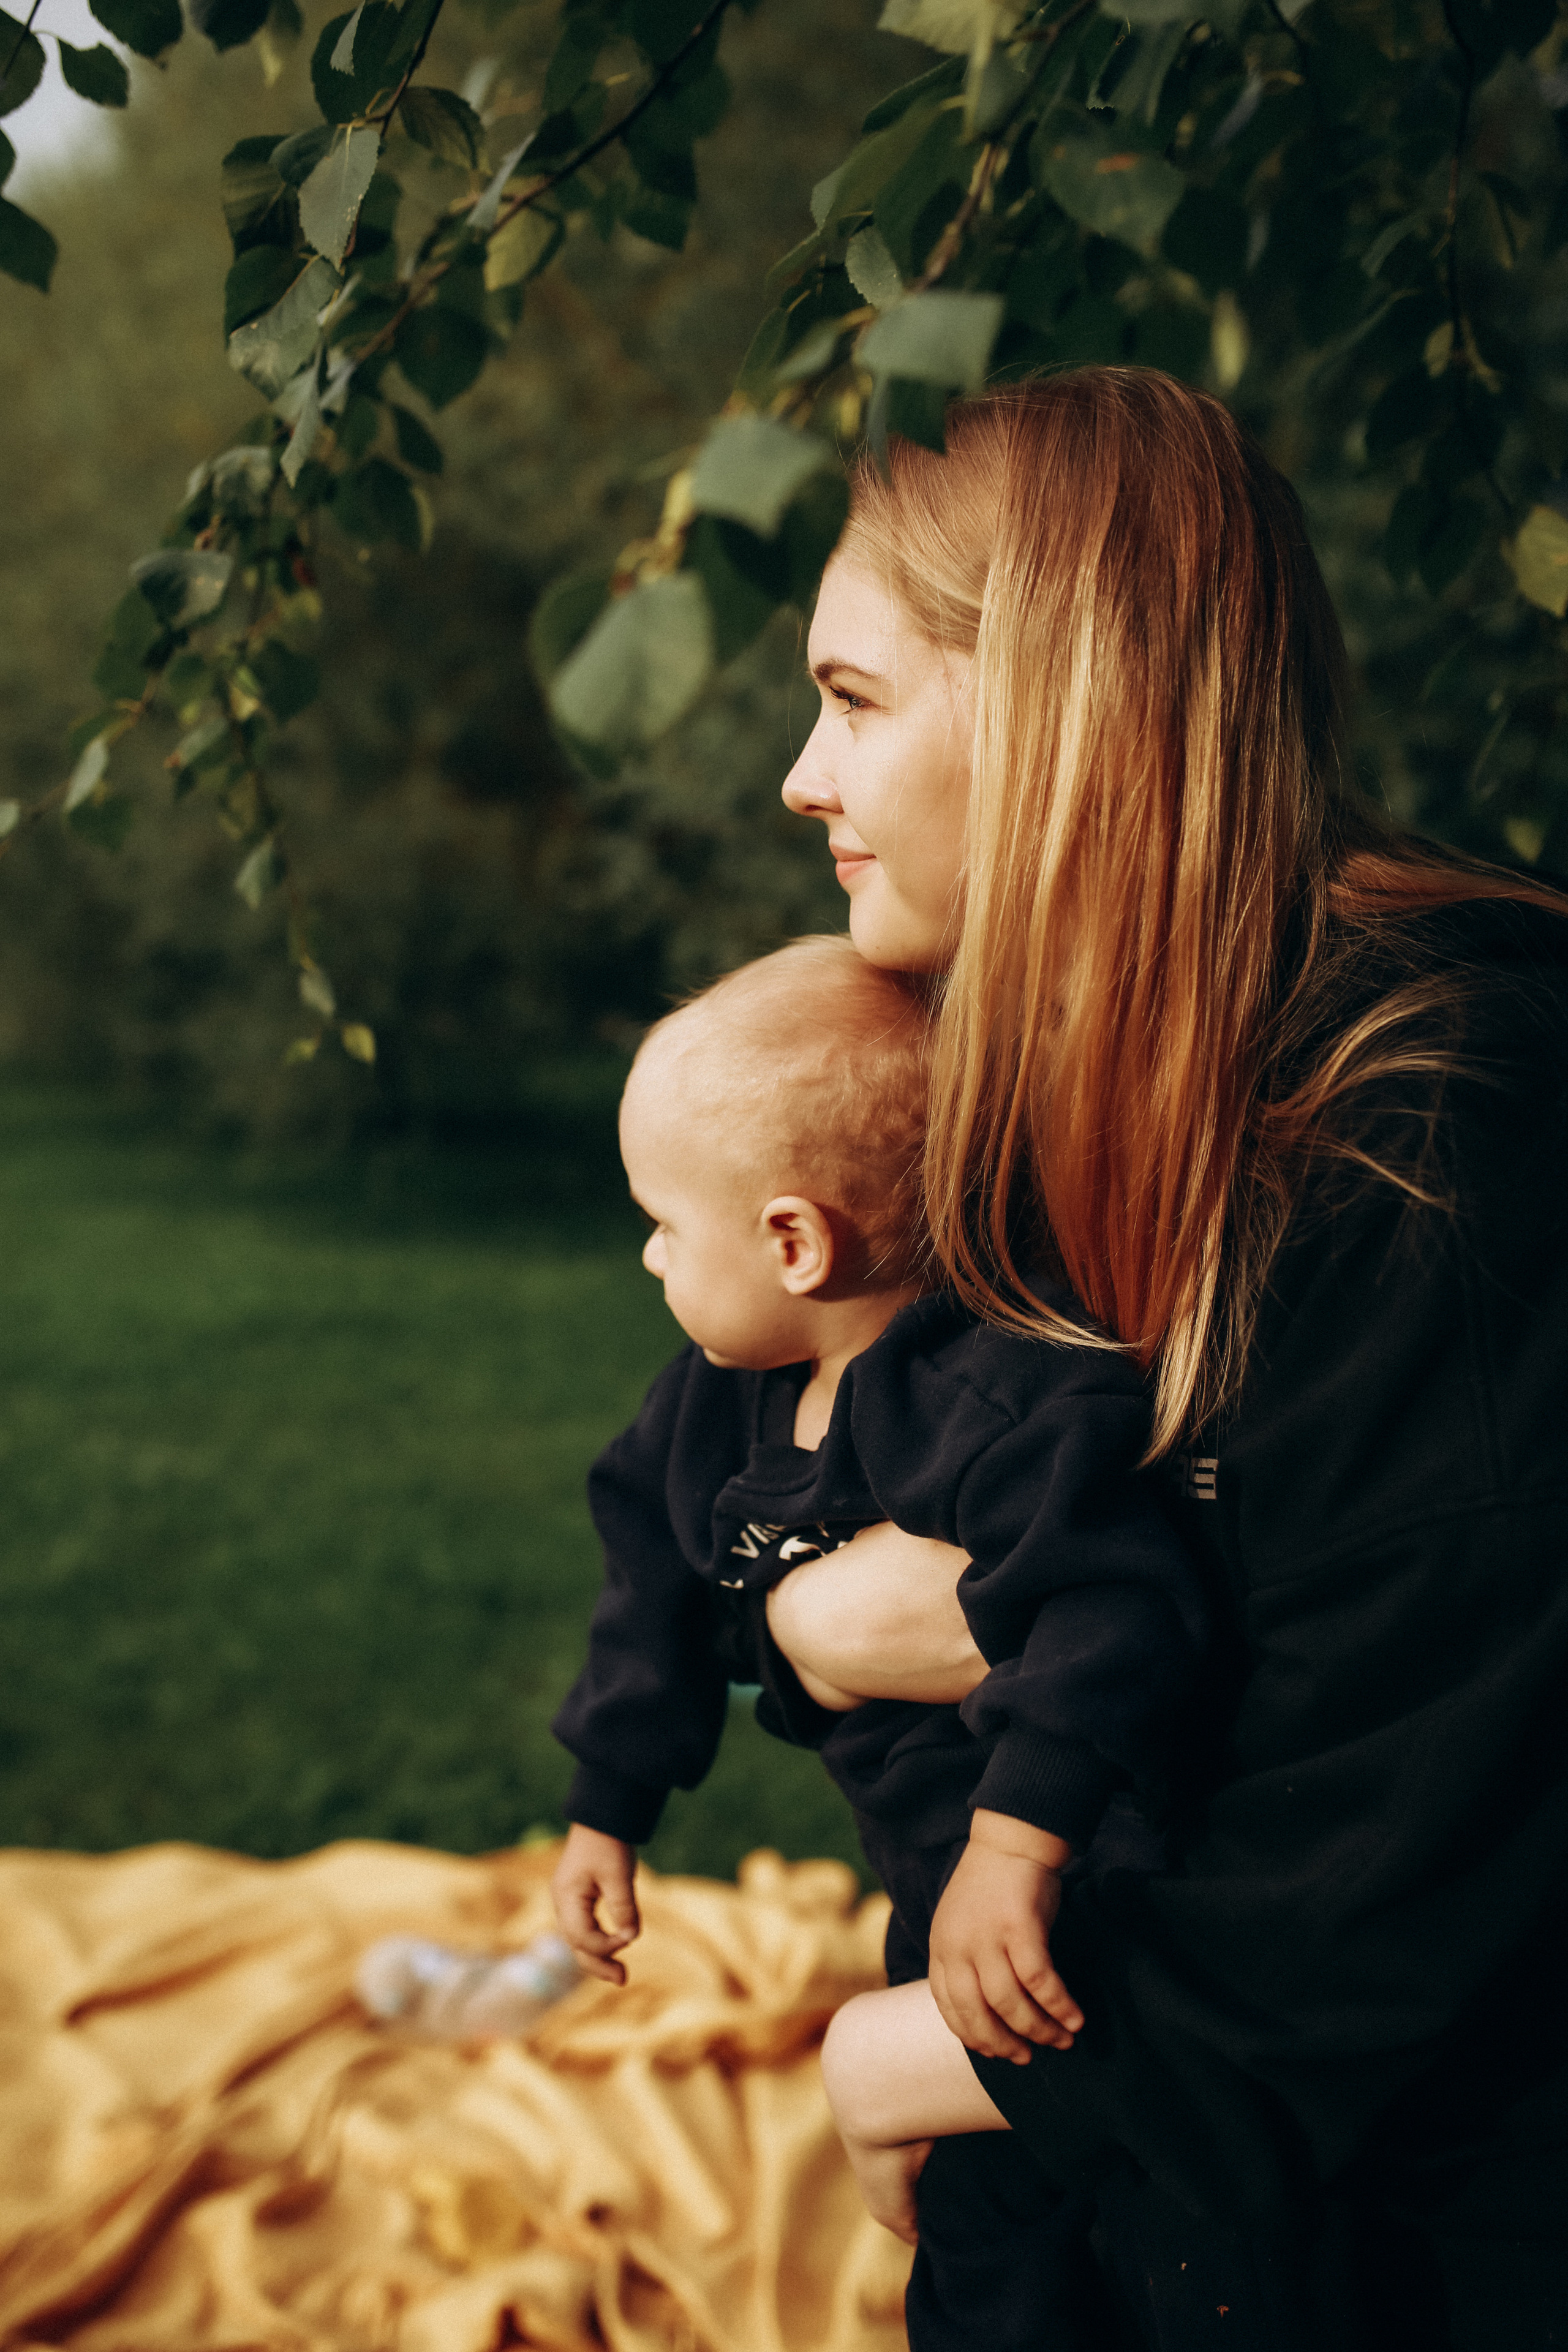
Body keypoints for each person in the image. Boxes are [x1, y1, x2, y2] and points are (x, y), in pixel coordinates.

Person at [765, 366, 1568, 2349]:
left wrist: (917, 2059)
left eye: (856, 699)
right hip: (1129, 2202)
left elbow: (1422, 1858)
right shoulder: (1067, 1099)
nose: (801, 773)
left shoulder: (1435, 1132)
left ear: (1062, 701)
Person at [548, 932, 1211, 2346]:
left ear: (794, 1240)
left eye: (664, 1222)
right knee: (985, 2243)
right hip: (932, 1884)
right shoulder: (707, 1410)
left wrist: (1016, 1849)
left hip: (1083, 1877)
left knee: (1128, 2219)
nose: (647, 1253)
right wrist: (607, 1811)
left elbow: (1110, 1612)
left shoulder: (999, 1407)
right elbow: (650, 1588)